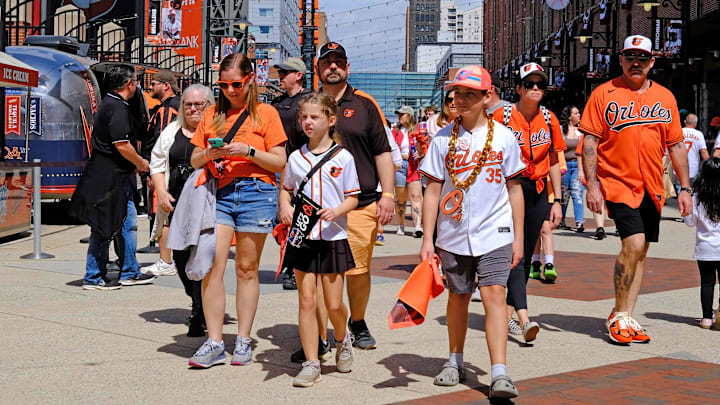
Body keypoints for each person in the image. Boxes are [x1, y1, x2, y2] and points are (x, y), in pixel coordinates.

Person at [419, 65, 523, 399]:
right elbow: (432, 191)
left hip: (496, 231)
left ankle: (499, 373)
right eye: (456, 93)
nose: (460, 99)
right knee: (458, 296)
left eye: (469, 94)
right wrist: (426, 238)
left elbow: (515, 190)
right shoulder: (441, 139)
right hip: (452, 232)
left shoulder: (504, 137)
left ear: (487, 96)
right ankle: (454, 360)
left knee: (494, 294)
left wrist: (518, 237)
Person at [579, 35, 692, 344]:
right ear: (621, 59)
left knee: (641, 253)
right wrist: (592, 185)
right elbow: (589, 142)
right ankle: (617, 313)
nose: (636, 63)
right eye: (630, 56)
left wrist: (684, 188)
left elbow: (677, 145)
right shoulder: (604, 94)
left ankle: (628, 315)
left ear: (652, 61)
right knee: (634, 243)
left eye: (642, 57)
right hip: (617, 182)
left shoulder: (665, 97)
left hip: (652, 186)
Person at [187, 53, 287, 368]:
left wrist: (249, 151)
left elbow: (279, 161)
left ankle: (243, 340)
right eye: (224, 84)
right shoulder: (213, 113)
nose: (230, 90)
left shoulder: (267, 113)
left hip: (257, 192)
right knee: (212, 266)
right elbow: (193, 160)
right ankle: (215, 341)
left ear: (250, 80)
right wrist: (209, 153)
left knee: (246, 268)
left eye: (236, 84)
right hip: (220, 192)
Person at [315, 42, 395, 350]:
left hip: (361, 204)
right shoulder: (310, 105)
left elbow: (383, 152)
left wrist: (387, 195)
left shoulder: (364, 104)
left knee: (358, 270)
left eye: (338, 62)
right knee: (320, 272)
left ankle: (357, 321)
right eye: (327, 62)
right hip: (318, 207)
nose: (333, 66)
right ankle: (322, 334)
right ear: (318, 68)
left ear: (347, 67)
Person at [280, 93, 359, 387]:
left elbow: (354, 197)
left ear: (331, 120)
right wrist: (284, 207)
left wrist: (336, 211)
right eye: (304, 117)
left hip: (332, 236)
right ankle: (311, 362)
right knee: (307, 300)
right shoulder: (295, 157)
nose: (308, 122)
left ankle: (342, 338)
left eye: (314, 117)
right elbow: (286, 188)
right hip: (303, 236)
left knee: (335, 303)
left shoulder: (344, 157)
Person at [493, 62, 566, 342]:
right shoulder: (503, 115)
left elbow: (553, 162)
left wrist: (556, 200)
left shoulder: (549, 119)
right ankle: (523, 317)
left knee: (524, 254)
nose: (536, 89)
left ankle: (509, 313)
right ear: (519, 88)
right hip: (510, 187)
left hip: (537, 189)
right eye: (530, 84)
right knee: (514, 249)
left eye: (541, 85)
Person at [70, 64, 155, 290]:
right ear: (130, 83)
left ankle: (129, 270)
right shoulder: (117, 108)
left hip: (116, 176)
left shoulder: (112, 104)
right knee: (103, 226)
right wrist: (142, 163)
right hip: (109, 178)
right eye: (136, 80)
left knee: (127, 223)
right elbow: (122, 145)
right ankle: (93, 276)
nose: (138, 85)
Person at [149, 84, 214, 337]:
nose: (193, 109)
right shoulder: (171, 132)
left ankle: (199, 312)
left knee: (203, 257)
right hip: (177, 203)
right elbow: (157, 165)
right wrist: (161, 192)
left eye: (199, 104)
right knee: (179, 257)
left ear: (209, 106)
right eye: (188, 104)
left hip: (208, 203)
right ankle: (197, 302)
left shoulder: (217, 130)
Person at [272, 57, 313, 291]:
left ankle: (293, 267)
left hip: (302, 168)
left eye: (286, 72)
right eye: (281, 72)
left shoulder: (308, 100)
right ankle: (291, 261)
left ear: (298, 75)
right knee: (278, 220)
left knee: (299, 219)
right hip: (278, 167)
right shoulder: (278, 102)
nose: (281, 76)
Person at [141, 70, 181, 277]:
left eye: (154, 83)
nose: (150, 87)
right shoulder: (172, 107)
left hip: (163, 170)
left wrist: (153, 171)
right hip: (170, 169)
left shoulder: (169, 109)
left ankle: (166, 260)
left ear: (166, 86)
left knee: (162, 213)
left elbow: (163, 140)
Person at [683, 158, 720, 329]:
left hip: (704, 248)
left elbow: (690, 222)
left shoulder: (697, 198)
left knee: (707, 282)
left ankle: (706, 318)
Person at [392, 106, 427, 238]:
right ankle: (400, 225)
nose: (400, 117)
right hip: (400, 166)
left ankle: (418, 226)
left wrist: (421, 153)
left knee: (416, 197)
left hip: (413, 166)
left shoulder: (418, 130)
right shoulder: (395, 131)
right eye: (399, 114)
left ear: (410, 116)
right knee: (400, 199)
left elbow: (425, 146)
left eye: (403, 114)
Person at [558, 105, 585, 232]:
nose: (578, 115)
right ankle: (561, 219)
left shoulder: (581, 131)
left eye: (578, 113)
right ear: (569, 117)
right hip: (564, 165)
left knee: (577, 192)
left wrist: (582, 170)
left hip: (577, 165)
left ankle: (579, 221)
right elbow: (558, 150)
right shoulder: (560, 130)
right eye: (575, 113)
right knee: (564, 194)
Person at [678, 113, 709, 188]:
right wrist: (709, 164)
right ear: (695, 124)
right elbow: (703, 152)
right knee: (691, 191)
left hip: (678, 167)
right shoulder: (699, 134)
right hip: (692, 168)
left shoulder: (678, 132)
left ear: (685, 122)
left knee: (681, 189)